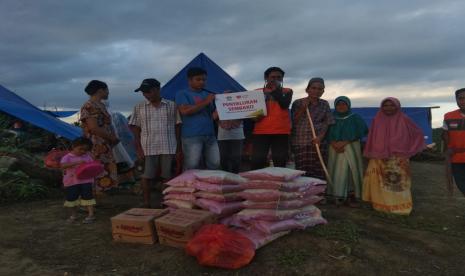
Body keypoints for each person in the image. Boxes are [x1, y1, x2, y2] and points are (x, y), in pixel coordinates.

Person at [363, 97, 425, 215]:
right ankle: (380, 205)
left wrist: (409, 149)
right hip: (379, 157)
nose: (388, 108)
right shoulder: (377, 120)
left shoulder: (404, 119)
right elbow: (372, 137)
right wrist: (376, 151)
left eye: (391, 105)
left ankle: (400, 207)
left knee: (398, 183)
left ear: (397, 106)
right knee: (380, 182)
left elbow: (418, 133)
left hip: (398, 158)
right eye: (386, 105)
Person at [129, 78, 182, 207]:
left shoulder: (172, 105)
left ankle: (166, 202)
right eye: (143, 92)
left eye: (148, 91)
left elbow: (177, 126)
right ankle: (147, 203)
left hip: (168, 146)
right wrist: (138, 148)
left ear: (158, 89)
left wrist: (178, 147)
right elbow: (135, 127)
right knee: (146, 176)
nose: (146, 95)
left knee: (167, 175)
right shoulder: (138, 107)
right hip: (148, 147)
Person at [175, 67, 220, 170]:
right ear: (190, 80)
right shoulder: (182, 93)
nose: (202, 82)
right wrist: (206, 101)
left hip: (210, 135)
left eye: (204, 79)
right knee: (192, 165)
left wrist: (226, 101)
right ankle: (188, 186)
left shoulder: (208, 94)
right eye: (198, 79)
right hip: (191, 136)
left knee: (215, 163)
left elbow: (212, 115)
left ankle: (209, 185)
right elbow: (185, 111)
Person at [326, 96, 368, 206]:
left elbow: (362, 130)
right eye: (338, 104)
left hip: (351, 147)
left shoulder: (355, 117)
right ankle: (336, 195)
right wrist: (333, 143)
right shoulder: (331, 118)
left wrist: (344, 142)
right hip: (334, 148)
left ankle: (354, 195)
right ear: (335, 106)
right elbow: (325, 132)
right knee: (335, 169)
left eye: (344, 104)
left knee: (352, 169)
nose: (341, 106)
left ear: (348, 105)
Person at [80, 80, 119, 192]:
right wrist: (111, 137)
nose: (108, 93)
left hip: (104, 143)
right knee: (95, 169)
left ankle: (98, 197)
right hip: (95, 145)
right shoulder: (89, 106)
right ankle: (92, 198)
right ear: (100, 90)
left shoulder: (101, 105)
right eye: (107, 90)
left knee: (102, 169)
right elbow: (93, 128)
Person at [291, 77, 334, 179]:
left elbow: (327, 122)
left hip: (318, 142)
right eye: (314, 88)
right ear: (307, 90)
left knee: (318, 170)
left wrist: (320, 137)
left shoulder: (324, 104)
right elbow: (294, 120)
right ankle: (302, 194)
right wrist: (303, 108)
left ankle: (318, 193)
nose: (316, 91)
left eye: (320, 89)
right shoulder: (298, 102)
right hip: (301, 141)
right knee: (302, 170)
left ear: (323, 91)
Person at [251, 67, 293, 169]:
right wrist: (255, 116)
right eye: (272, 77)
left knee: (280, 160)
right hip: (261, 131)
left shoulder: (288, 91)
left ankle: (279, 184)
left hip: (281, 131)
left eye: (279, 77)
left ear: (282, 79)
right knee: (258, 160)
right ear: (266, 78)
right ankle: (257, 183)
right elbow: (252, 116)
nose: (275, 79)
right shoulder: (256, 92)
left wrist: (276, 90)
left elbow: (284, 104)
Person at [60, 137, 96, 223]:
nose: (83, 151)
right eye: (81, 149)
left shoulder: (87, 156)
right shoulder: (67, 157)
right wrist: (76, 163)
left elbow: (92, 166)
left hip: (86, 180)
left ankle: (91, 215)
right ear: (73, 146)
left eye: (85, 150)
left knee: (88, 197)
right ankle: (74, 215)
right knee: (71, 199)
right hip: (72, 182)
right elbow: (62, 166)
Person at [442, 88, 465, 196]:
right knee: (461, 185)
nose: (463, 101)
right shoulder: (448, 117)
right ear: (456, 100)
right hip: (456, 159)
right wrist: (447, 151)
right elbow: (446, 136)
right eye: (460, 98)